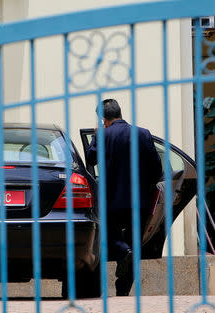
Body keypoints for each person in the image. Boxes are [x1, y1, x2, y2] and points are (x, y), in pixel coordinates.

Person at [86, 99, 162, 296]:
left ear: (104, 119)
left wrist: (96, 136)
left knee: (111, 237)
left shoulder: (103, 135)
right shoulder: (143, 133)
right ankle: (123, 290)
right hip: (140, 202)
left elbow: (90, 160)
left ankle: (122, 251)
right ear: (120, 113)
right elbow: (157, 168)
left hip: (111, 201)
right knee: (134, 245)